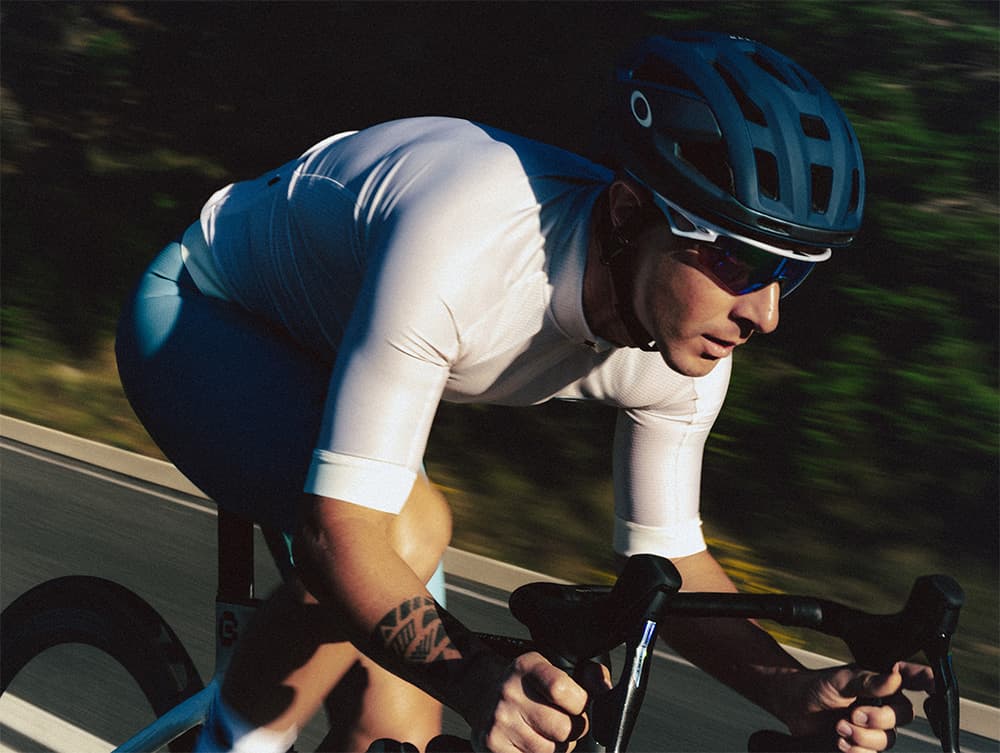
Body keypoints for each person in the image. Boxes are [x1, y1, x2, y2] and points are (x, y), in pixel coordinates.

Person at [116, 33, 934, 753]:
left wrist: (791, 692)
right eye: (737, 262)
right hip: (208, 313)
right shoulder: (466, 245)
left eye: (792, 273)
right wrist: (480, 680)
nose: (765, 312)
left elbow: (667, 559)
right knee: (409, 523)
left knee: (396, 735)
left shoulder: (690, 337)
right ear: (626, 213)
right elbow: (342, 532)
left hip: (343, 347)